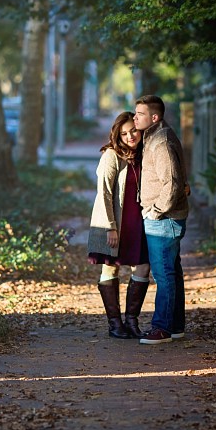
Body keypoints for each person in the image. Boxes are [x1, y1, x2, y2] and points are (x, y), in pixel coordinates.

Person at [86, 112, 150, 339]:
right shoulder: (111, 155)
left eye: (133, 130)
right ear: (117, 135)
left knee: (142, 268)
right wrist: (110, 227)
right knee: (110, 267)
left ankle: (131, 321)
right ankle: (115, 324)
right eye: (123, 133)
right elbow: (103, 193)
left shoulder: (145, 153)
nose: (130, 136)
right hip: (115, 221)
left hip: (139, 221)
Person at [133, 95, 190, 345]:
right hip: (164, 217)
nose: (135, 117)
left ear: (154, 117)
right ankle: (175, 326)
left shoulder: (161, 141)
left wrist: (156, 210)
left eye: (140, 114)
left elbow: (173, 182)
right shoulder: (153, 137)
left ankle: (162, 328)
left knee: (164, 274)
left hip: (164, 219)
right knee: (171, 272)